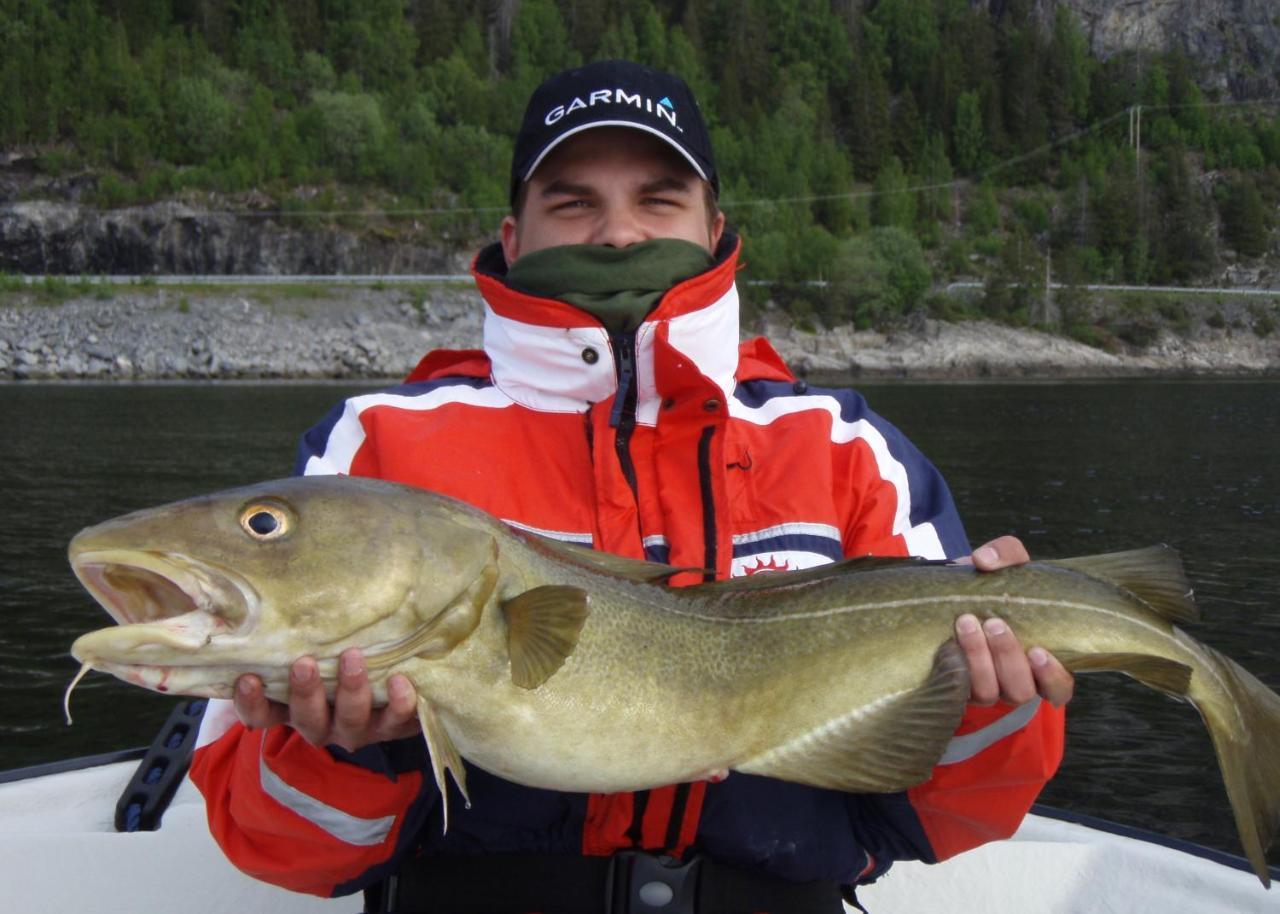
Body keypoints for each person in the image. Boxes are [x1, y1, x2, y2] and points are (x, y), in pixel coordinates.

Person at [190, 60, 1073, 913]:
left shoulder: (844, 449)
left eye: (658, 199)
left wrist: (989, 715)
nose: (617, 234)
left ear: (716, 224)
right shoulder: (375, 447)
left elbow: (940, 816)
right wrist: (350, 752)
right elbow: (272, 843)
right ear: (513, 237)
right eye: (573, 203)